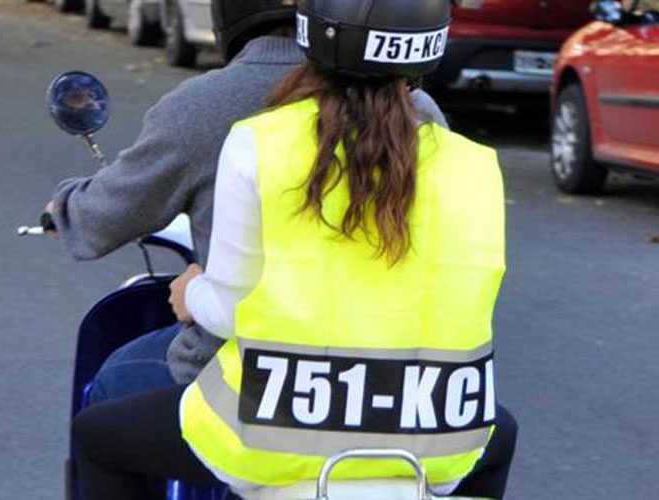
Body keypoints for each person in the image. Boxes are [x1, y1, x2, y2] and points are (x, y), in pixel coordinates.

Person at [71, 1, 517, 499]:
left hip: (272, 429)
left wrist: (192, 291)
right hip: (431, 429)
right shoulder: (471, 163)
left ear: (315, 32)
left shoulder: (260, 143)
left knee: (97, 437)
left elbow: (231, 311)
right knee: (501, 436)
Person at [47, 0, 448, 401]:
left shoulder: (211, 110)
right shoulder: (415, 111)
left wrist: (195, 290)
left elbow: (106, 217)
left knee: (109, 389)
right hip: (399, 374)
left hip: (246, 375)